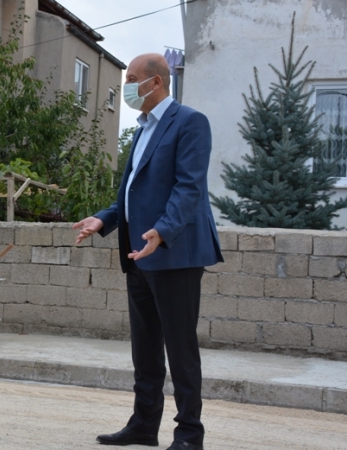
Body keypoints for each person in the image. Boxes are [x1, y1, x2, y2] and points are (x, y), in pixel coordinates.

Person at [73, 54, 223, 450]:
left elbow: (188, 188)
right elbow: (132, 192)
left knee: (180, 350)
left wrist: (163, 230)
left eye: (133, 79)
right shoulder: (142, 130)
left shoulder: (190, 122)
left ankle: (189, 434)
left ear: (155, 83)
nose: (127, 87)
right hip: (139, 253)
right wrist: (104, 220)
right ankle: (143, 425)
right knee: (145, 348)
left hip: (175, 253)